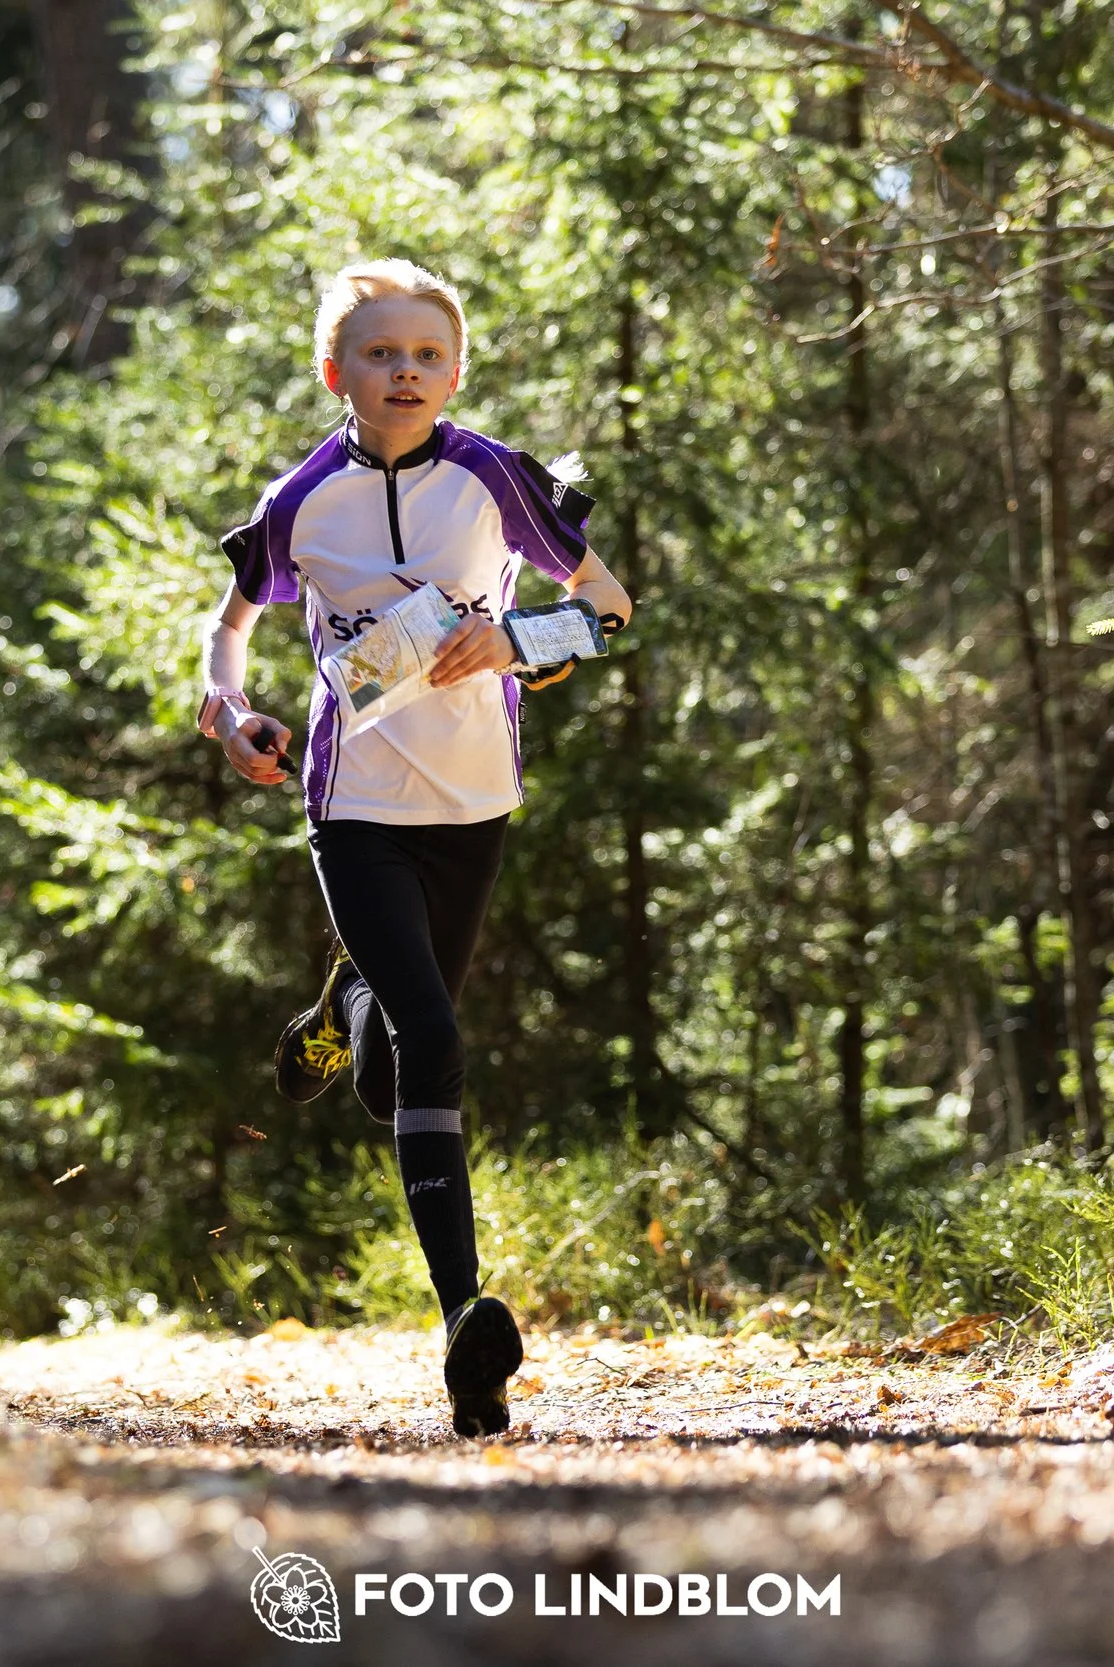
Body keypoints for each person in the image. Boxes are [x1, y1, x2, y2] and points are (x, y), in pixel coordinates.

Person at [201, 259, 633, 1438]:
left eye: (429, 356)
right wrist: (231, 712)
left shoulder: (495, 476)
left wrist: (518, 638)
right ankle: (464, 1333)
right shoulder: (301, 501)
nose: (407, 373)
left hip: (473, 802)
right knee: (437, 1036)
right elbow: (228, 634)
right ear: (335, 371)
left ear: (455, 373)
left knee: (396, 1071)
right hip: (354, 803)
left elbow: (607, 605)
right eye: (382, 355)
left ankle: (345, 1018)